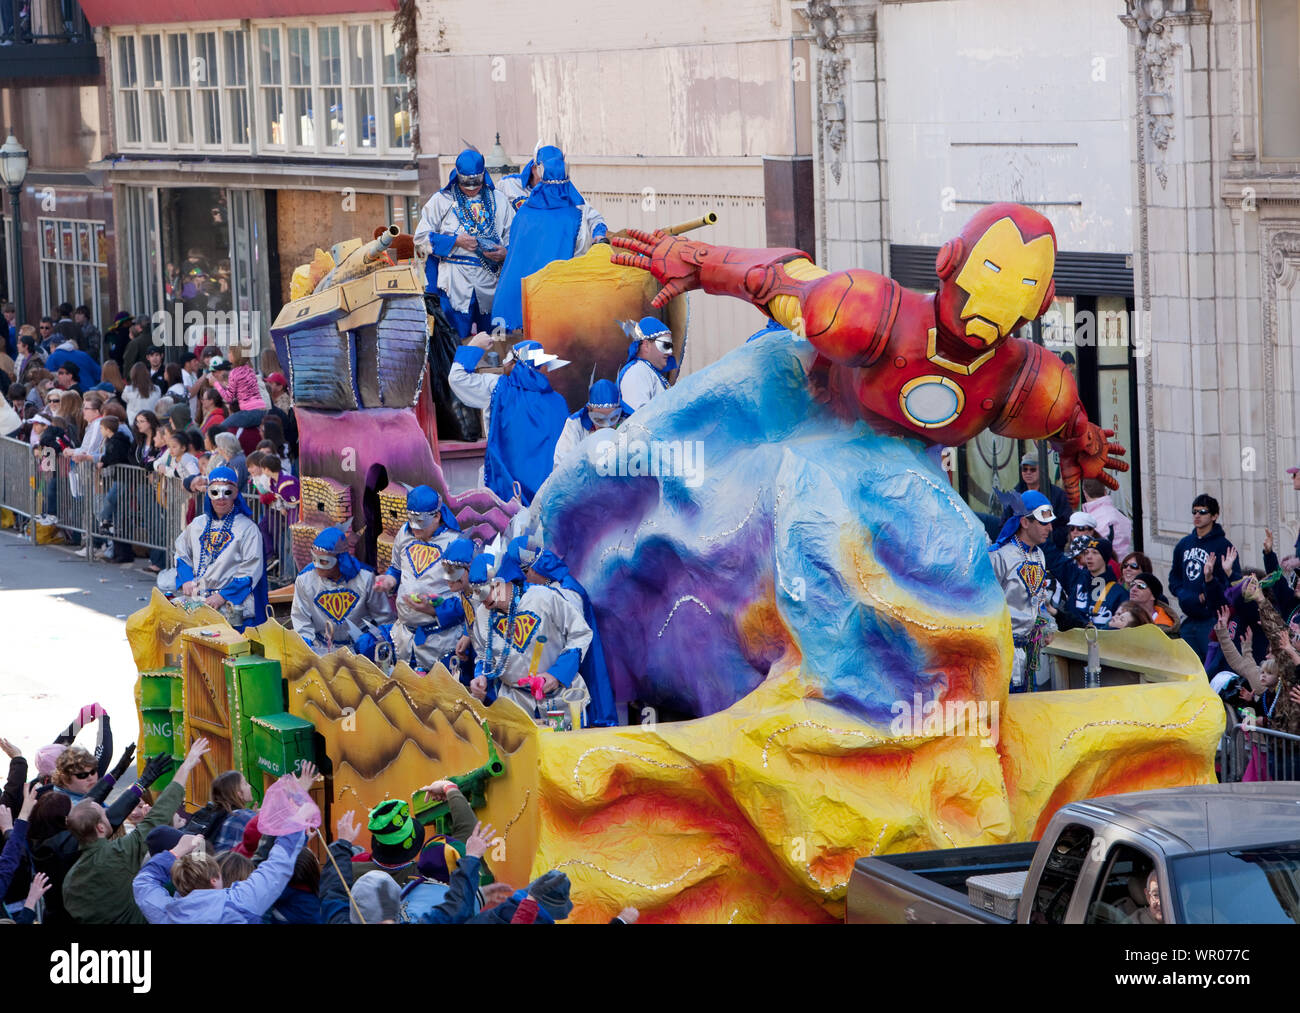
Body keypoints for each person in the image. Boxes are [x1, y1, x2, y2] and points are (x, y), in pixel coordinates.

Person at [62, 738, 210, 925]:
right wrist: (186, 766)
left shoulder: (70, 882)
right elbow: (158, 815)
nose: (109, 813)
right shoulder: (119, 853)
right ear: (100, 828)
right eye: (104, 814)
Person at [492, 145, 607, 332]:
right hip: (549, 298)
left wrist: (600, 236)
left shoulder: (527, 213)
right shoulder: (572, 215)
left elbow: (595, 219)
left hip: (528, 298)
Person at [468, 544, 592, 716]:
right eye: (478, 591)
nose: (485, 598)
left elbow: (580, 634)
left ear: (507, 579)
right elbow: (483, 655)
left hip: (560, 700)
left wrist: (556, 675)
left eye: (492, 588)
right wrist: (481, 676)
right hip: (514, 705)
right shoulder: (483, 615)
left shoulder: (542, 598)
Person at [449, 337, 569, 505]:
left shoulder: (498, 388)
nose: (504, 364)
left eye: (507, 359)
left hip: (508, 490)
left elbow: (457, 379)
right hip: (548, 495)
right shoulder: (558, 401)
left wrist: (475, 346)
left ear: (515, 363)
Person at [413, 148, 513, 339]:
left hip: (491, 280)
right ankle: (457, 369)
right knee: (455, 341)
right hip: (454, 282)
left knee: (496, 341)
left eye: (476, 183)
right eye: (466, 183)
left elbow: (513, 236)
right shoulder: (441, 201)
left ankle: (492, 369)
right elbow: (420, 240)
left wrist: (505, 252)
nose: (472, 188)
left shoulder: (499, 200)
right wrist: (454, 241)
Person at [134, 826, 307, 924]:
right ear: (215, 878)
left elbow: (143, 882)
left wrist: (177, 851)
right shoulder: (240, 903)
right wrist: (295, 821)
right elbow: (278, 865)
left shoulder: (165, 914)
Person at [375, 486, 464, 671]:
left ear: (437, 516)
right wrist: (390, 581)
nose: (414, 529)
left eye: (420, 522)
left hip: (441, 641)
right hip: (403, 636)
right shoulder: (404, 533)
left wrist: (434, 610)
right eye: (411, 521)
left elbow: (467, 599)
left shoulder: (454, 543)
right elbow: (396, 569)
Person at [168, 465, 267, 630]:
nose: (221, 498)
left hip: (233, 605)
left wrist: (223, 596)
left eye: (227, 492)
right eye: (215, 492)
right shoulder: (198, 524)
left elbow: (251, 569)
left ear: (235, 494)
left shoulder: (248, 529)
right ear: (208, 493)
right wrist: (186, 579)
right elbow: (181, 551)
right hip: (197, 599)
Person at [988, 490, 1058, 693]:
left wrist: (1044, 624)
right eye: (1044, 523)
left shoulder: (1039, 555)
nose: (1050, 528)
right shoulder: (999, 556)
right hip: (1001, 657)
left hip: (1029, 655)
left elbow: (1037, 599)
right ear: (1025, 523)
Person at [291, 527, 394, 657]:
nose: (317, 565)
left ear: (340, 559)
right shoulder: (304, 580)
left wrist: (375, 640)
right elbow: (301, 618)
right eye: (314, 558)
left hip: (361, 651)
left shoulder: (366, 578)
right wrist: (306, 643)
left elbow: (384, 618)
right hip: (322, 649)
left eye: (324, 561)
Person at [1168, 493, 1241, 664]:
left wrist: (1208, 594)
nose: (1197, 516)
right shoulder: (1184, 544)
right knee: (1187, 666)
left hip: (1211, 619)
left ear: (1214, 516)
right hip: (1188, 618)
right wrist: (1184, 594)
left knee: (1209, 667)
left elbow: (1231, 583)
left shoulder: (1224, 546)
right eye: (1194, 512)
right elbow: (1174, 577)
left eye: (1202, 512)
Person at [553, 378, 629, 468]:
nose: (606, 426)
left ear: (619, 411)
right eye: (599, 420)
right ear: (589, 410)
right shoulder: (575, 425)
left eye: (613, 418)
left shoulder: (631, 421)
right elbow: (562, 467)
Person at [618, 317, 676, 412]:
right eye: (666, 345)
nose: (670, 352)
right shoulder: (637, 372)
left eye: (671, 346)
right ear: (646, 345)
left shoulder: (646, 371)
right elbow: (640, 420)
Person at [1014, 452, 1070, 541]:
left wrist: (1047, 540)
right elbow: (1005, 523)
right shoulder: (1015, 495)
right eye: (1025, 469)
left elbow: (1065, 526)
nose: (1028, 473)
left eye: (1032, 469)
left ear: (1042, 470)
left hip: (1050, 547)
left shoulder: (1058, 495)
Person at [1082, 476, 1132, 558]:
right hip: (1123, 565)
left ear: (1085, 493)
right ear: (1105, 492)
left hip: (1104, 566)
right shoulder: (1122, 516)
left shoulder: (1091, 520)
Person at [45, 322, 101, 391]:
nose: (50, 350)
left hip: (70, 395)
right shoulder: (83, 354)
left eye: (50, 348)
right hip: (90, 393)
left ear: (52, 346)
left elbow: (47, 378)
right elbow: (99, 374)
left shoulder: (53, 357)